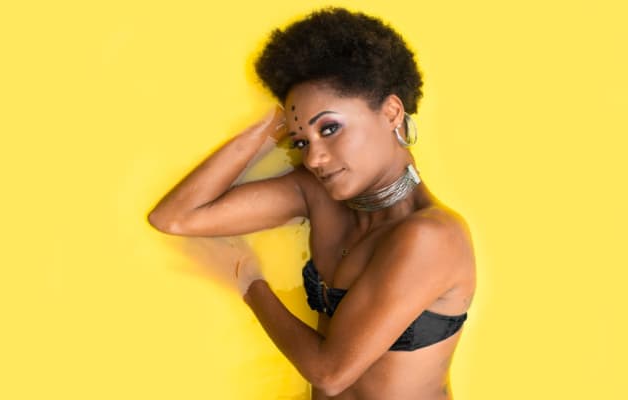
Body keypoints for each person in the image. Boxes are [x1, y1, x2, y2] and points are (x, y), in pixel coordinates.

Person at [148, 7, 476, 400]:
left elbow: (330, 372)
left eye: (330, 128)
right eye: (302, 141)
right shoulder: (319, 195)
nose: (315, 158)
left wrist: (249, 282)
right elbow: (176, 217)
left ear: (391, 112)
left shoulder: (432, 236)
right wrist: (267, 130)